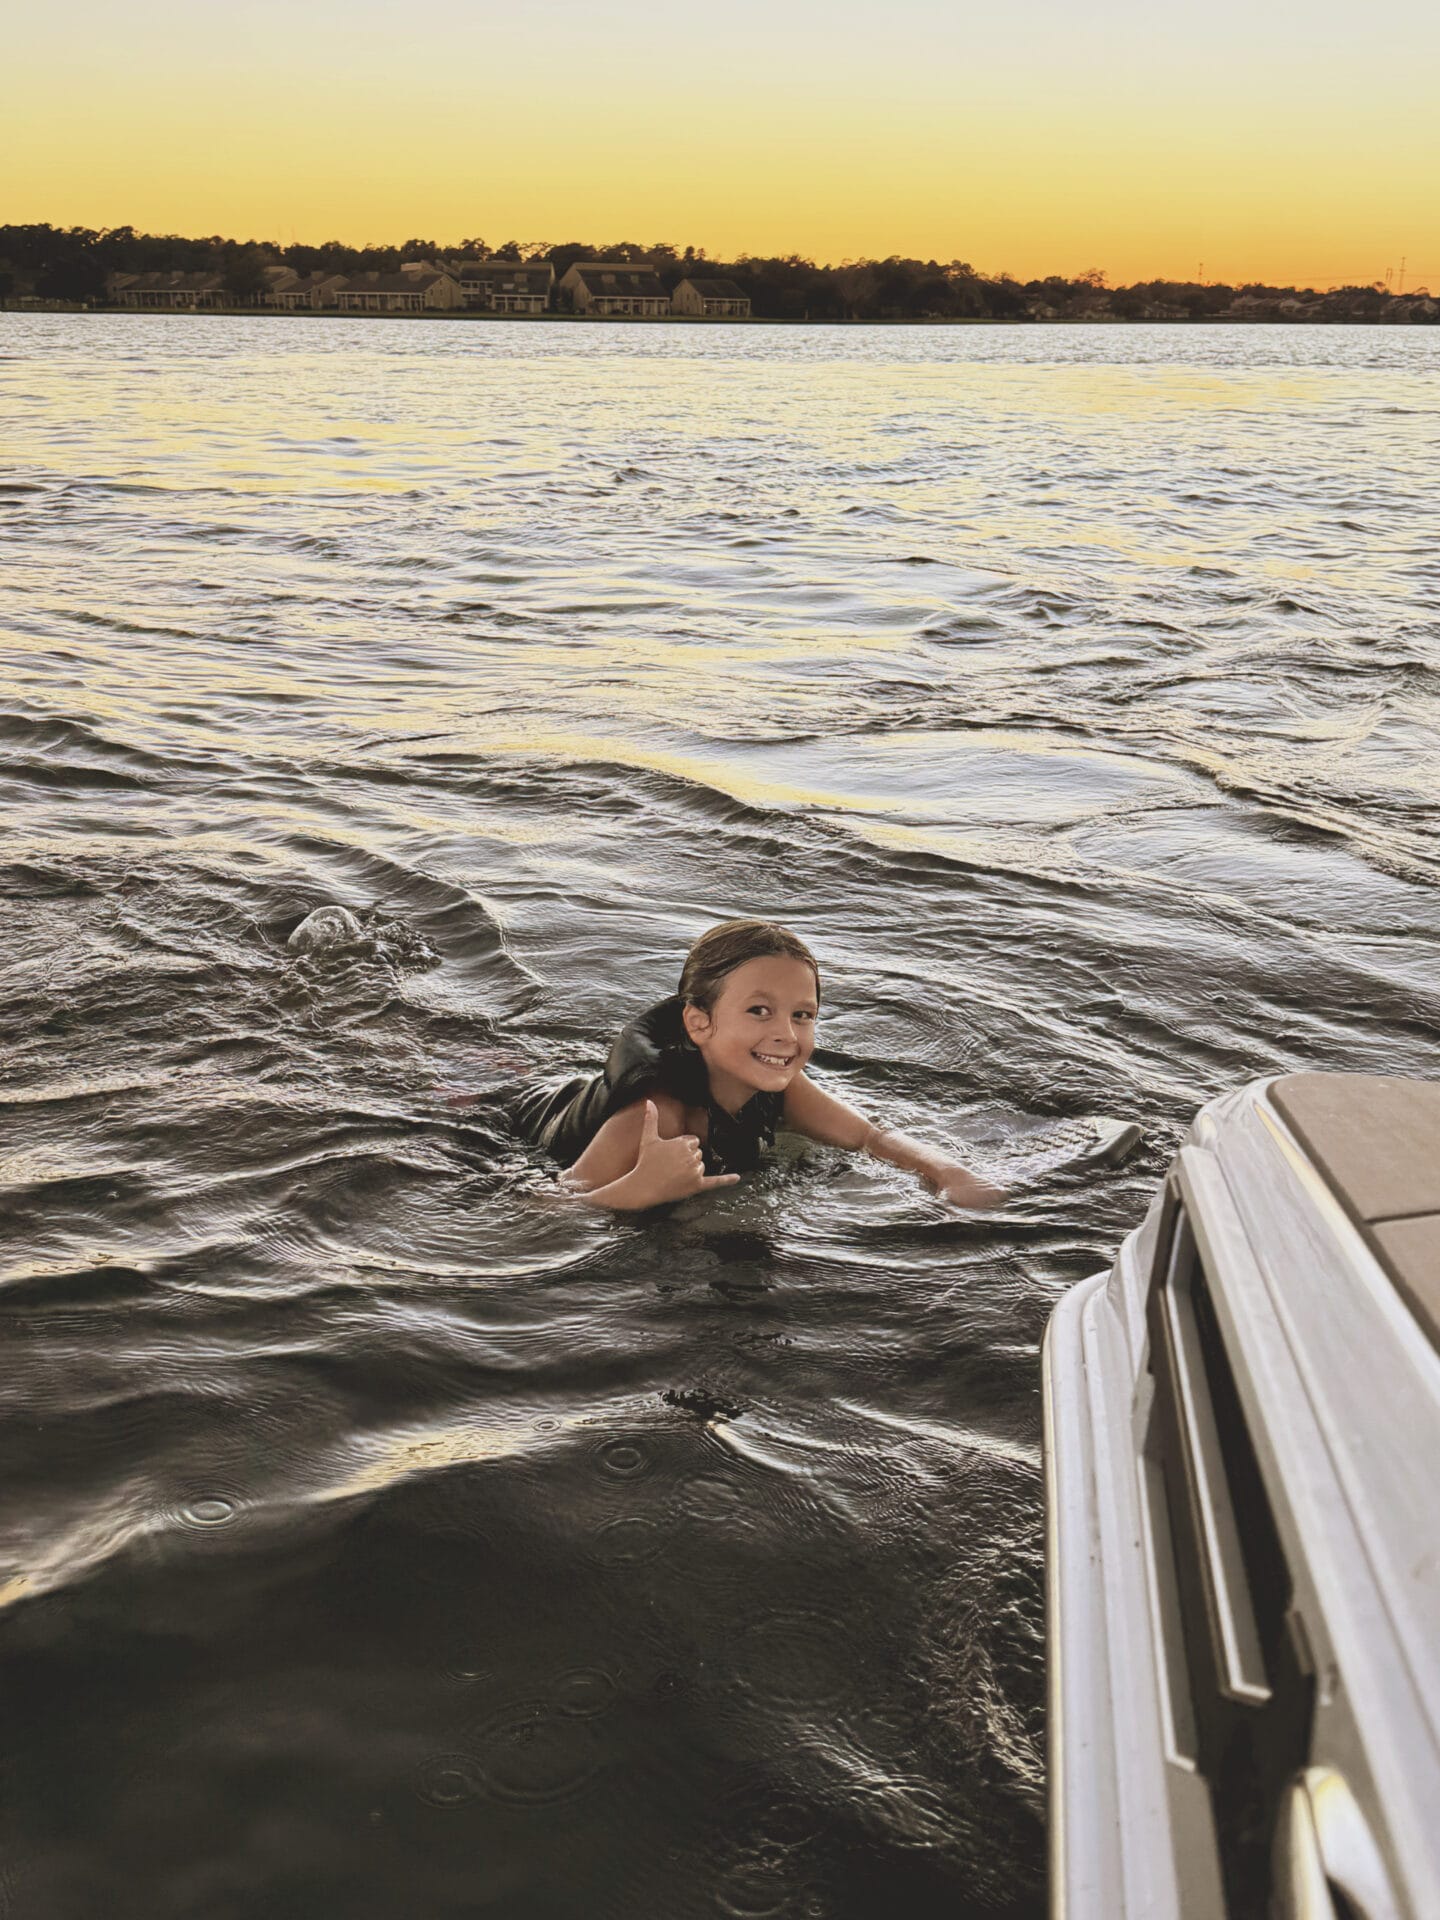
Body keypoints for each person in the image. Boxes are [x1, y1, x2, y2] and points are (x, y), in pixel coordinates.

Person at [513, 918, 1004, 1212]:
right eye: (758, 1011)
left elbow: (869, 1138)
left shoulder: (780, 1084)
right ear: (699, 1022)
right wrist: (637, 1190)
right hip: (533, 1113)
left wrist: (951, 1172)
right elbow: (541, 1211)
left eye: (802, 1015)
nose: (786, 1036)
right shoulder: (654, 1117)